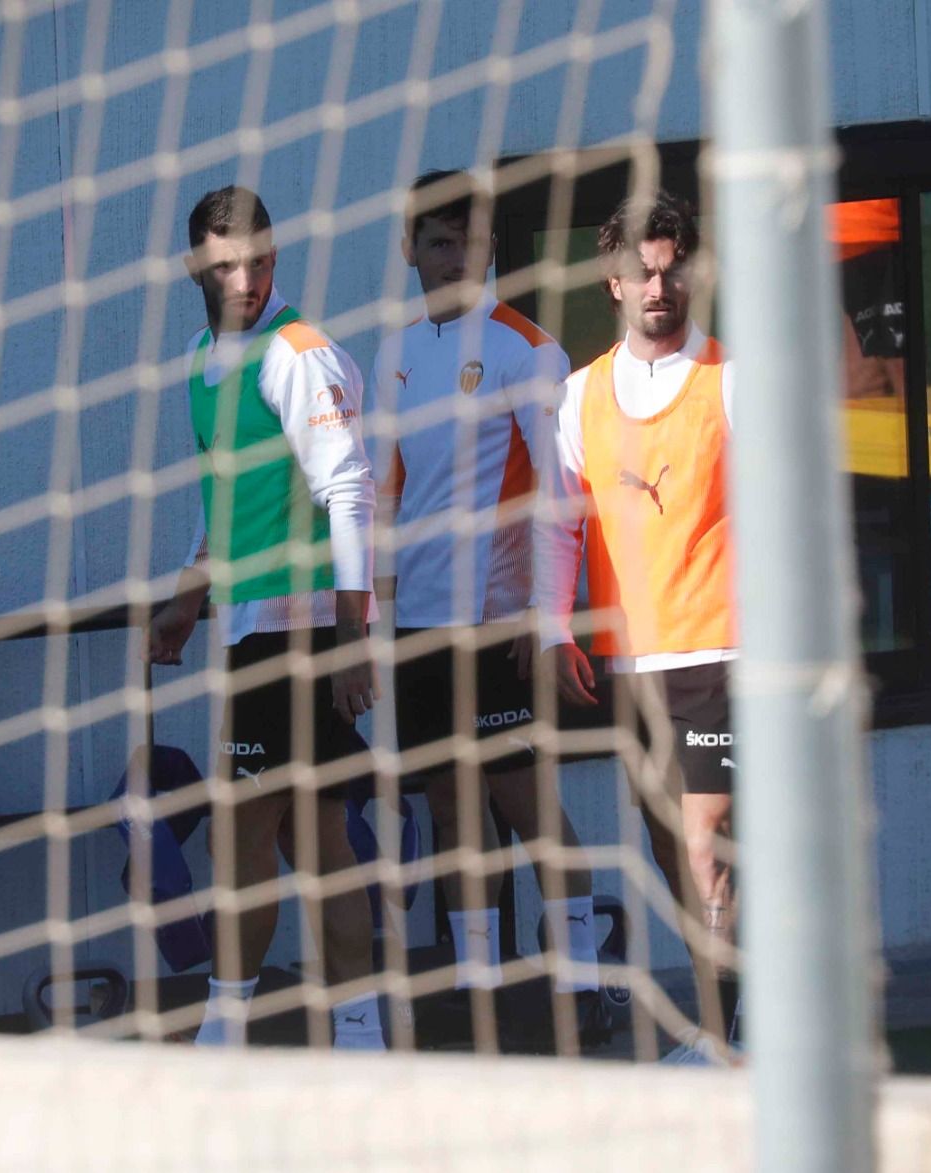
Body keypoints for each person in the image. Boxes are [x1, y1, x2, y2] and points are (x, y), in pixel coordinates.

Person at [146, 185, 384, 1051]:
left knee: (246, 831)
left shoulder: (298, 353)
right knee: (311, 832)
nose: (247, 275)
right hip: (251, 630)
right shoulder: (202, 356)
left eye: (261, 257)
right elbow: (227, 503)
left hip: (303, 633)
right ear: (194, 267)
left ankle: (228, 1028)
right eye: (228, 262)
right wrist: (187, 598)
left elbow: (349, 492)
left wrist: (353, 641)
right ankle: (358, 1033)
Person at [365, 170, 601, 1018]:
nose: (452, 256)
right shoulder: (394, 356)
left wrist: (540, 614)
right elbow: (384, 497)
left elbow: (560, 491)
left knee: (521, 798)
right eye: (436, 241)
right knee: (446, 804)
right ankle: (476, 983)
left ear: (490, 246)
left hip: (497, 623)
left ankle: (582, 978)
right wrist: (373, 623)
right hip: (419, 626)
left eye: (468, 240)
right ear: (410, 250)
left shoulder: (527, 349)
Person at [534, 189, 740, 1064]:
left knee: (704, 853)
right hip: (628, 661)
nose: (659, 286)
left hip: (725, 649)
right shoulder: (577, 396)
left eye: (671, 270)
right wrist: (552, 630)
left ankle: (730, 1037)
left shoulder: (734, 379)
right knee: (674, 854)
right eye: (641, 273)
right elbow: (556, 523)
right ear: (613, 283)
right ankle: (733, 1020)